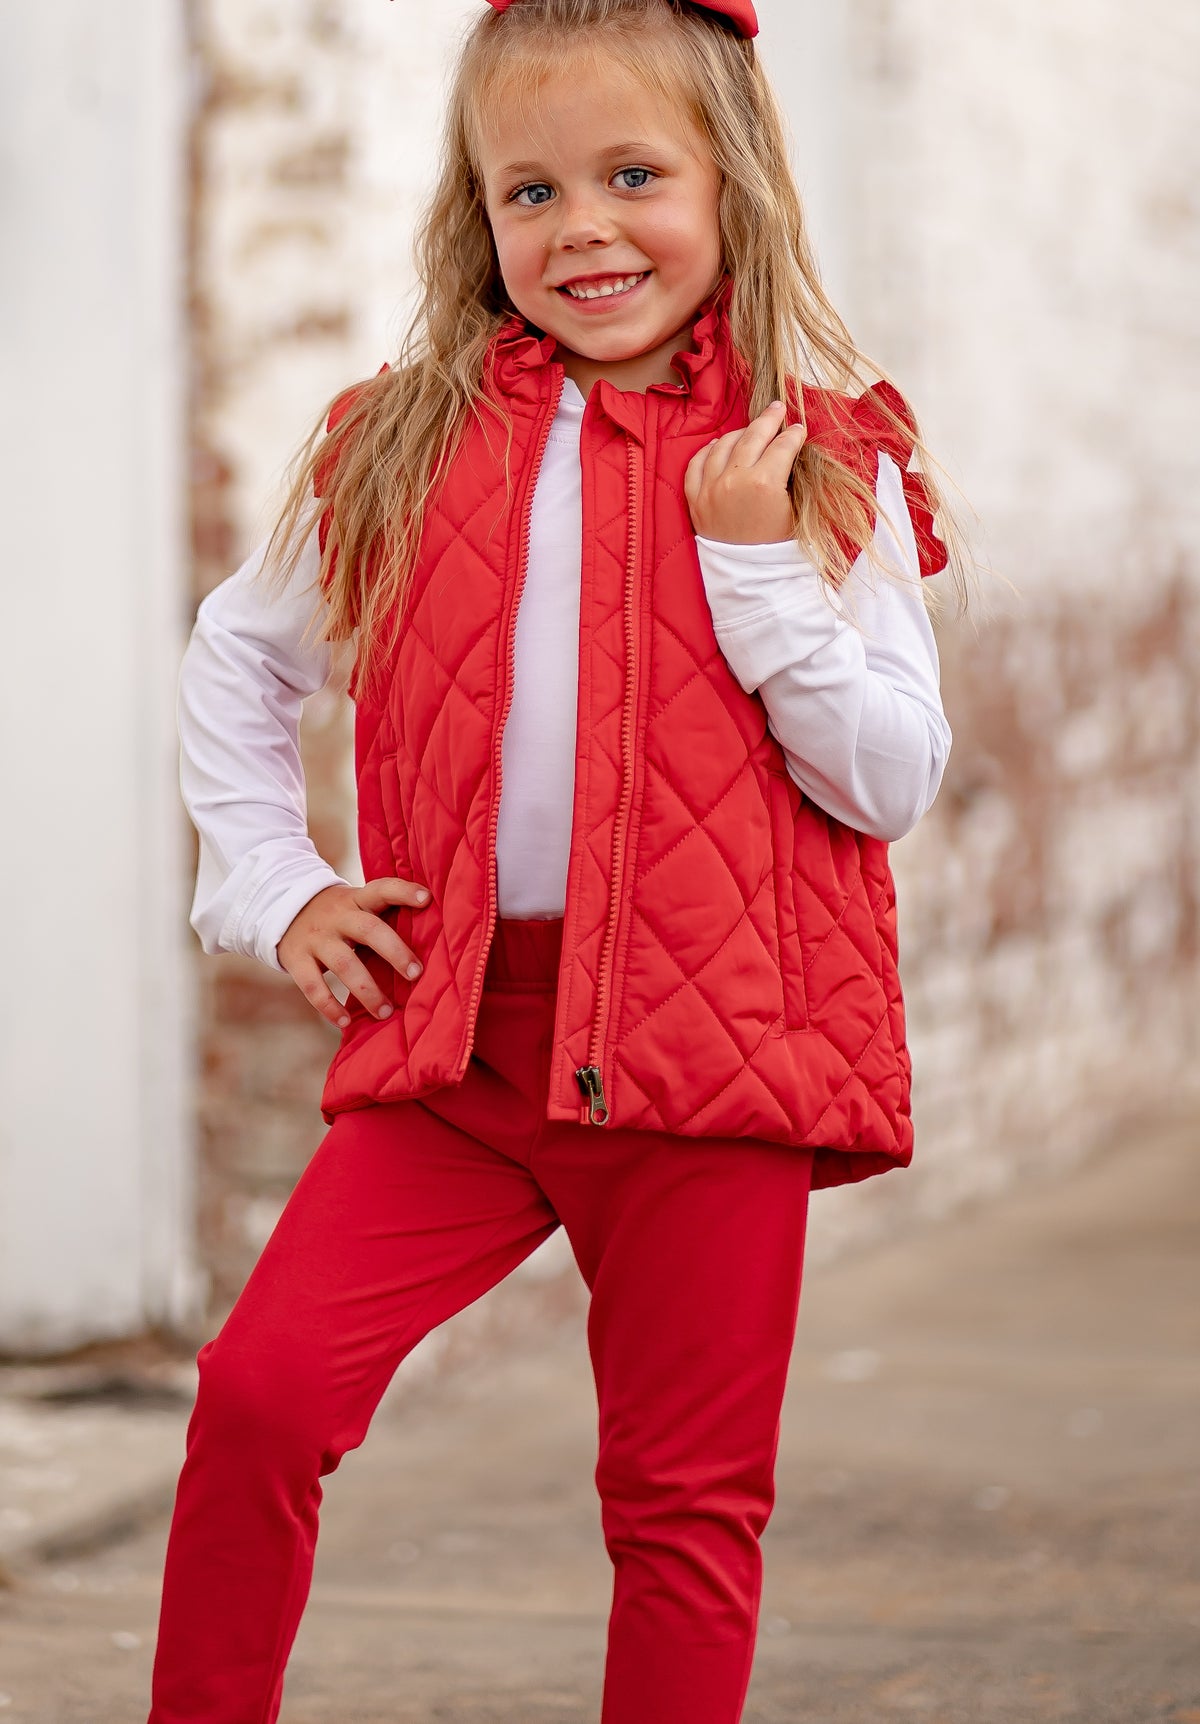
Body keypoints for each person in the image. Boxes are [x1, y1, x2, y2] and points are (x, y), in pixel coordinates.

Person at [150, 1, 970, 1719]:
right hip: (463, 1050)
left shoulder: (823, 466)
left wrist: (755, 575)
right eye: (530, 191)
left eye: (632, 174)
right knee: (261, 1395)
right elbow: (238, 658)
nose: (583, 227)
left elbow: (889, 776)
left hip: (708, 1060)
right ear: (478, 212)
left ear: (730, 184)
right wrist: (279, 882)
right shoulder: (394, 440)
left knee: (681, 1508)